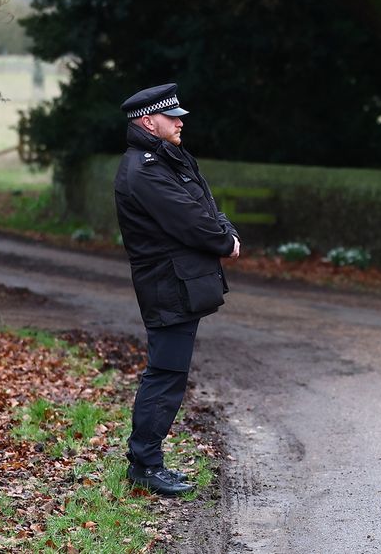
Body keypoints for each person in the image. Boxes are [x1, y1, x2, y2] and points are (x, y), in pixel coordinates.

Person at [114, 83, 240, 497]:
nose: (181, 121)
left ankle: (148, 462)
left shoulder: (168, 159)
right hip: (167, 286)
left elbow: (203, 201)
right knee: (165, 374)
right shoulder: (145, 170)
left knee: (170, 372)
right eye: (173, 117)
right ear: (149, 122)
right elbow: (189, 219)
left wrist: (227, 230)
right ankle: (145, 465)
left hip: (178, 283)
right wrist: (225, 241)